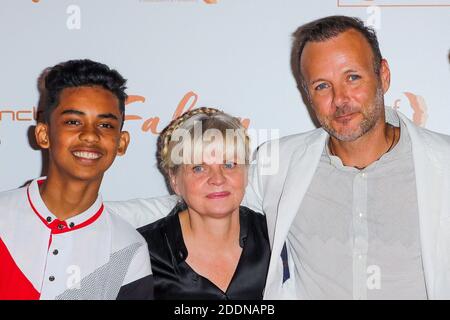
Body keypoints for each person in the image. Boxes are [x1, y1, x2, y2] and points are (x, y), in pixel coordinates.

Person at [107, 15, 450, 299]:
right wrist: (73, 214)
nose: (340, 99)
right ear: (306, 94)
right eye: (322, 86)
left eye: (353, 77)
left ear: (383, 75)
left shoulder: (443, 164)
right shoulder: (283, 162)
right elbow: (207, 198)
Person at [0, 59, 153, 300]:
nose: (90, 135)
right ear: (44, 134)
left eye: (105, 124)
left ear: (121, 142)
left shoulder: (129, 249)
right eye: (73, 122)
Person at [137, 107, 270, 299]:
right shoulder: (142, 255)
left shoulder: (276, 237)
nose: (218, 179)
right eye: (199, 168)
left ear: (246, 173)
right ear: (174, 179)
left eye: (229, 165)